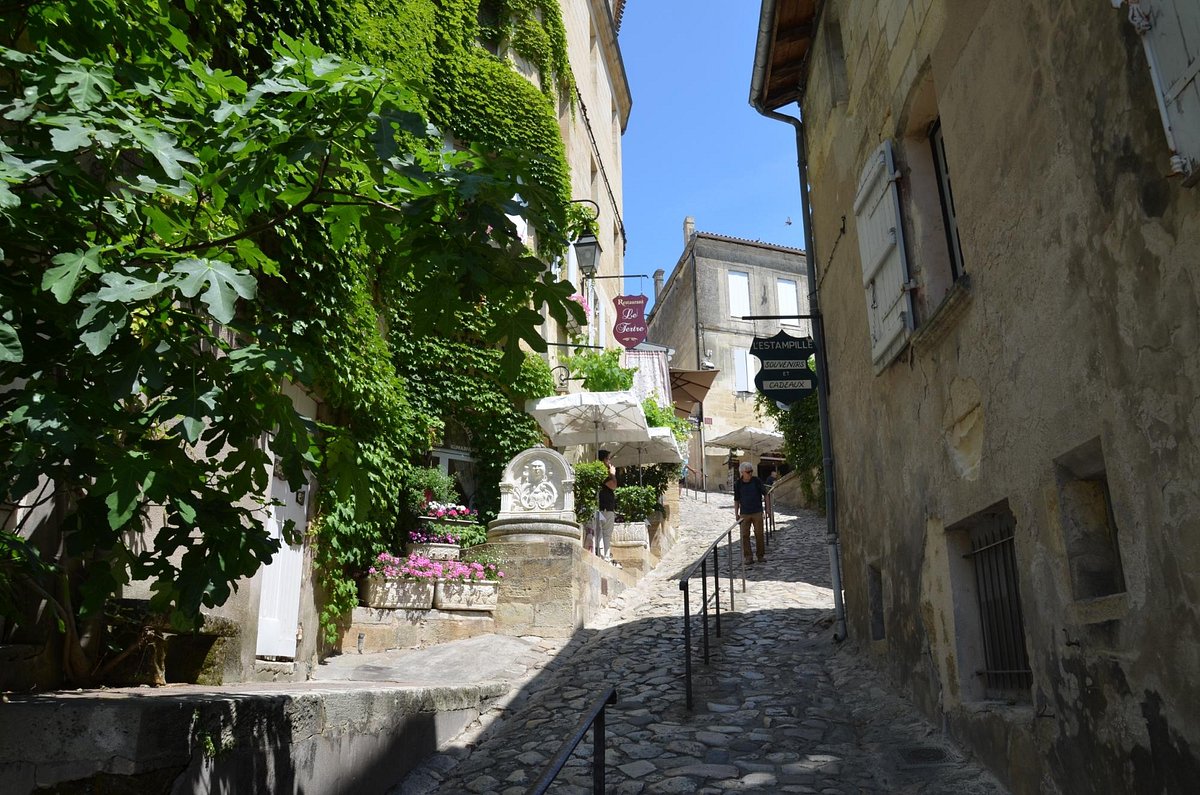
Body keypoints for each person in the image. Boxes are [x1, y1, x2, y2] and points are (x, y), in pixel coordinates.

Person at [733, 461, 768, 566]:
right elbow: (736, 499)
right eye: (748, 472)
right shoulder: (738, 484)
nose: (750, 474)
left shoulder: (756, 481)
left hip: (757, 511)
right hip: (744, 513)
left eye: (751, 471)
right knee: (744, 536)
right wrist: (736, 513)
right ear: (742, 472)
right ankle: (748, 557)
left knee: (759, 534)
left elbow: (765, 494)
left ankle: (760, 556)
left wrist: (767, 510)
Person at [597, 474, 617, 560]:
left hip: (605, 509)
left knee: (603, 533)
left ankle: (605, 554)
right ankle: (605, 555)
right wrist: (613, 474)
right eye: (608, 459)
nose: (610, 462)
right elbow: (613, 485)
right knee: (605, 533)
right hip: (605, 509)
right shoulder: (604, 474)